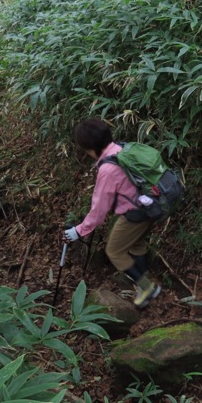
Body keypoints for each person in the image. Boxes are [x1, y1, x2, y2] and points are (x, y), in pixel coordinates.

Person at [63, 119, 161, 308]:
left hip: (134, 214)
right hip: (151, 204)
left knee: (114, 251)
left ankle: (147, 288)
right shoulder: (122, 148)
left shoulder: (107, 170)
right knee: (136, 244)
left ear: (90, 148)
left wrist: (79, 231)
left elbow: (99, 210)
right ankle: (142, 283)